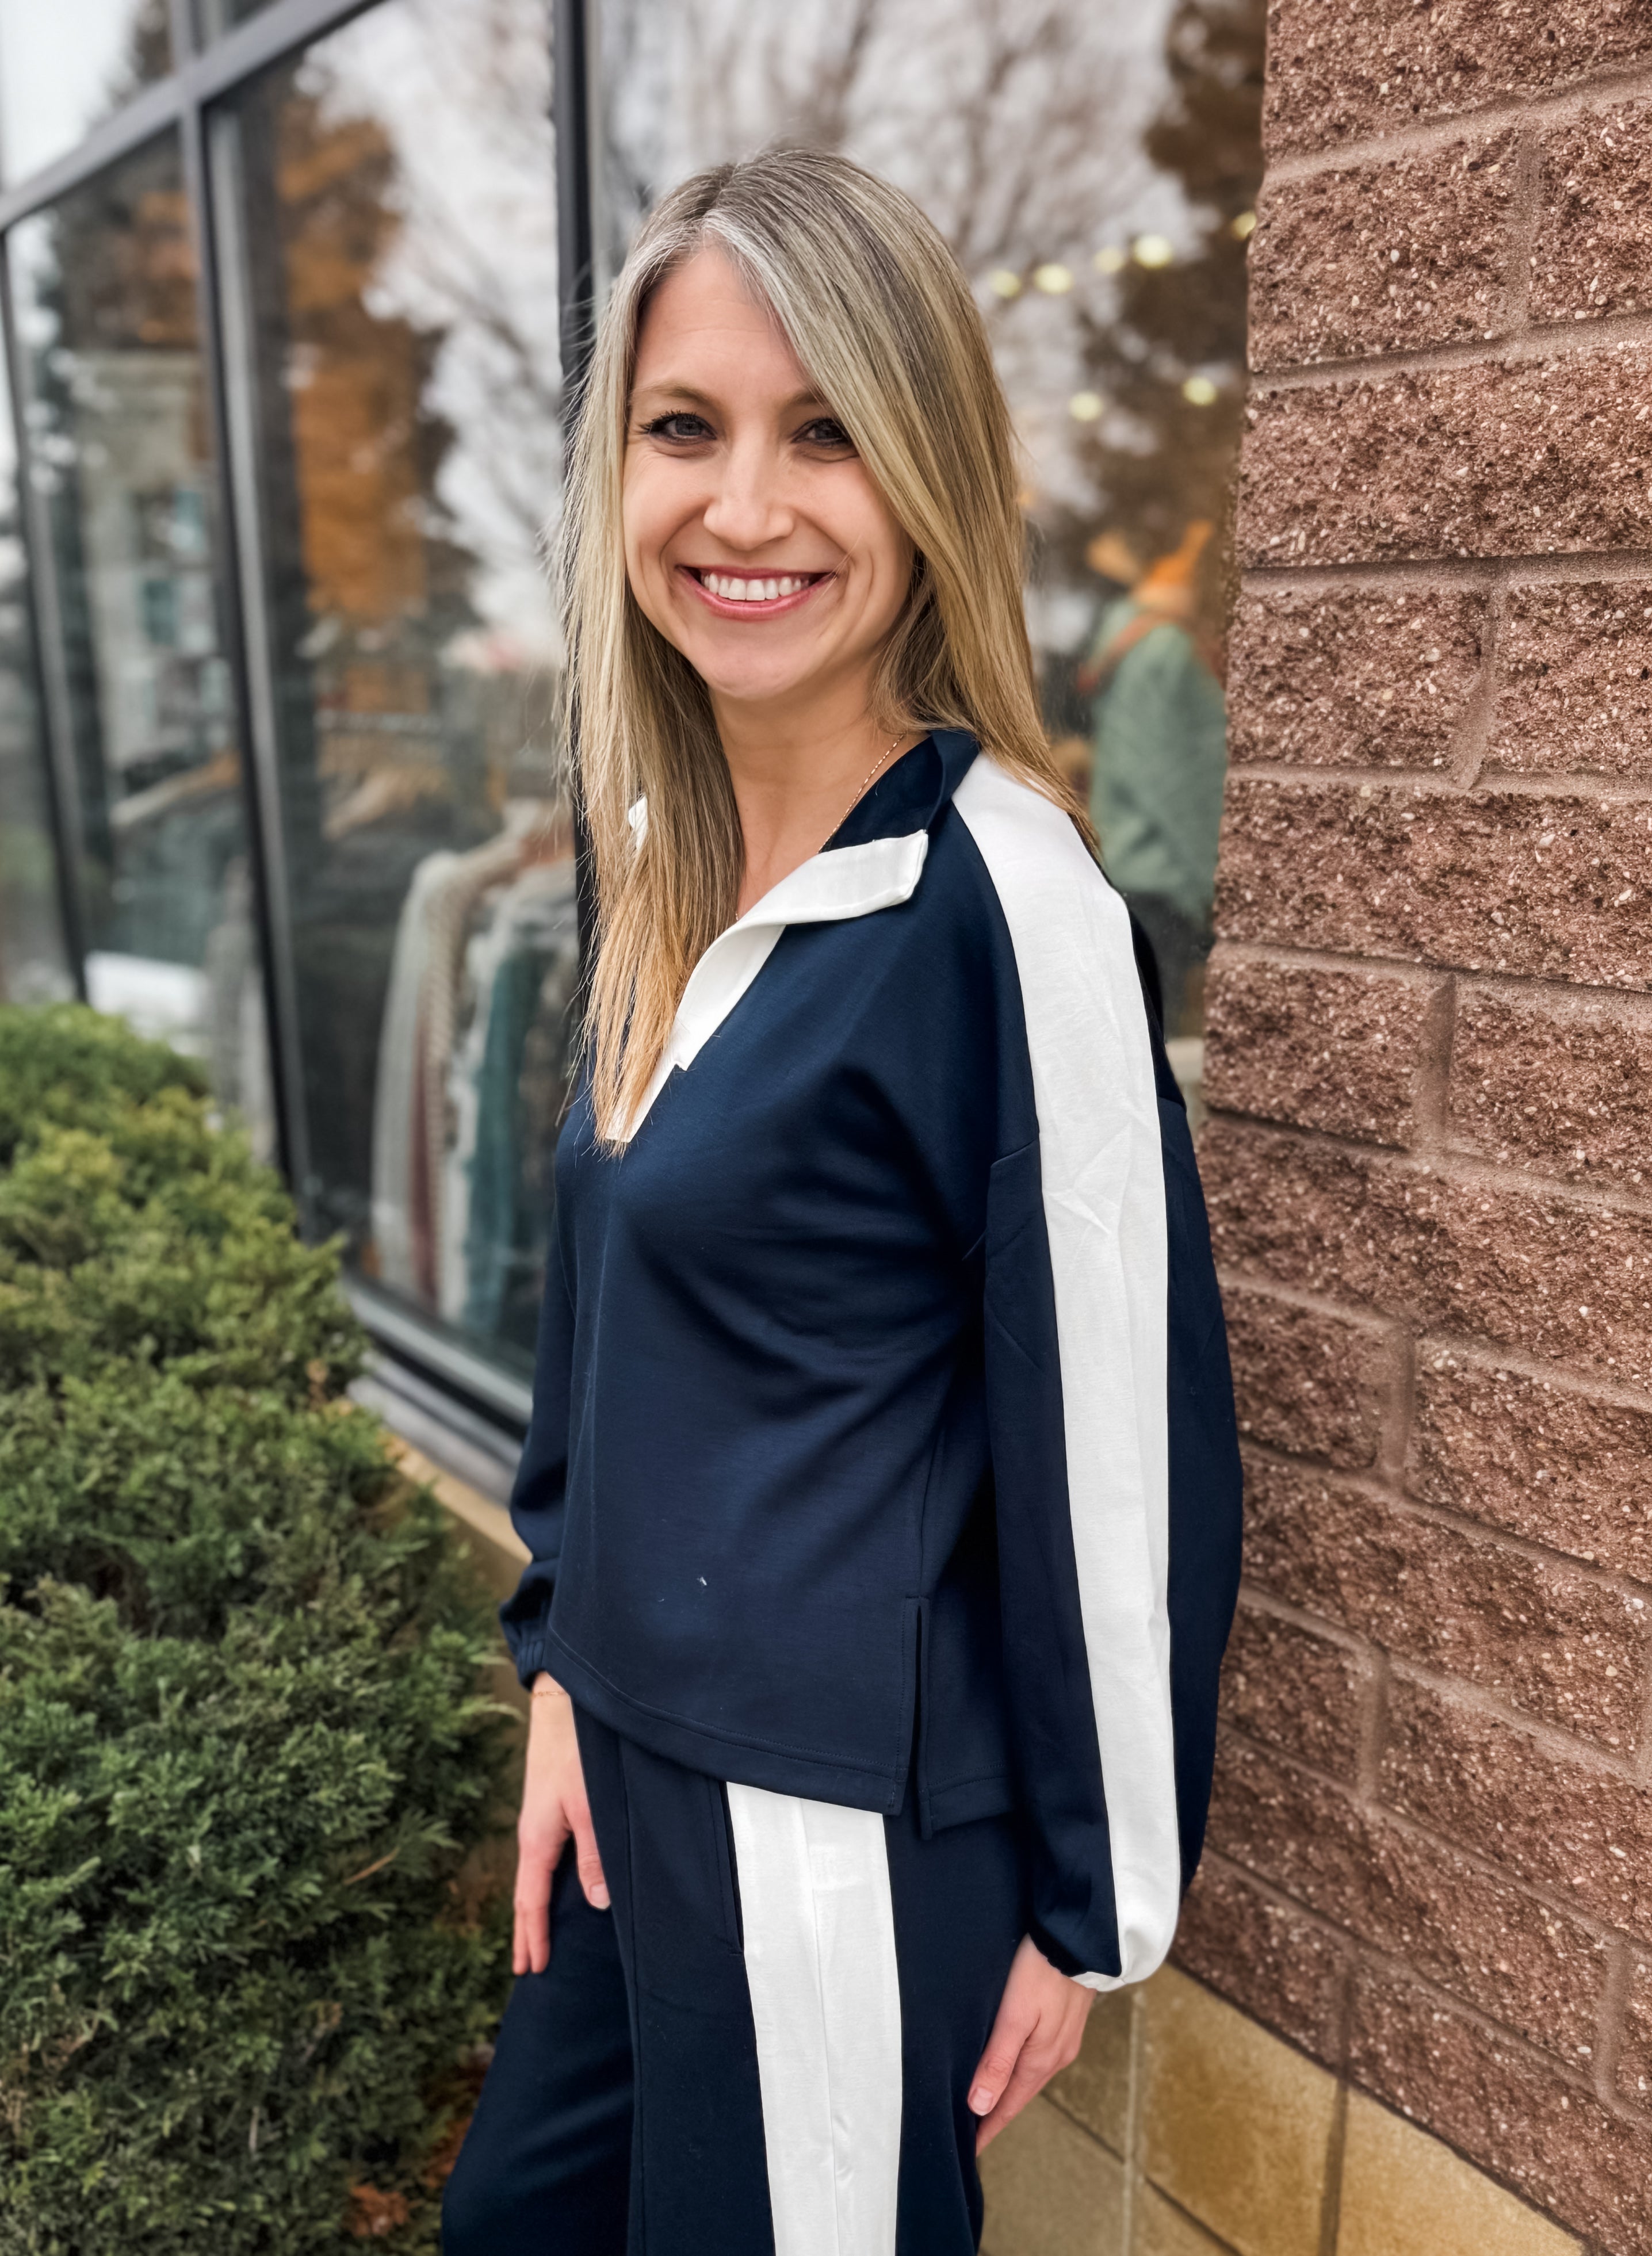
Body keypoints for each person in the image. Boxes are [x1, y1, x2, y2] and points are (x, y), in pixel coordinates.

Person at [442, 148, 1240, 2256]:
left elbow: (1114, 1444)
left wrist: (1086, 1905)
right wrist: (561, 1661)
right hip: (628, 1753)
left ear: (925, 469)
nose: (742, 507)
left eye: (823, 434)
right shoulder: (660, 851)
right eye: (682, 427)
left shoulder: (1008, 907)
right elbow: (605, 1312)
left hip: (824, 1828)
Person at [1080, 520, 1227, 1032]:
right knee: (1154, 1044)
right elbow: (1173, 781)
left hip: (1130, 869)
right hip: (1161, 880)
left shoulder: (1132, 638)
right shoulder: (1164, 649)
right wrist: (1219, 884)